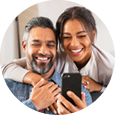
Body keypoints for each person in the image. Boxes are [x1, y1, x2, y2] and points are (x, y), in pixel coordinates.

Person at [3, 17, 92, 115]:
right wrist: (33, 105)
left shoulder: (81, 91)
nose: (44, 52)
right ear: (24, 46)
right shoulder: (6, 86)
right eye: (36, 44)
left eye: (50, 45)